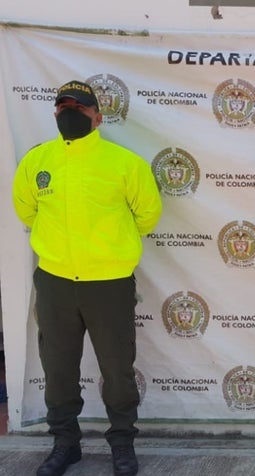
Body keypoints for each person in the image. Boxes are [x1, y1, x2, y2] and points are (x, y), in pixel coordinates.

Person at [12, 80, 162, 476]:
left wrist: (110, 248)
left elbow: (147, 215)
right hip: (55, 281)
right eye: (64, 107)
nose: (71, 113)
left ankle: (122, 444)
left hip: (109, 283)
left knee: (117, 370)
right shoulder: (37, 161)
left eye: (80, 108)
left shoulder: (124, 163)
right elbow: (27, 210)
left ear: (97, 116)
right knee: (58, 370)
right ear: (55, 113)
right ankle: (66, 444)